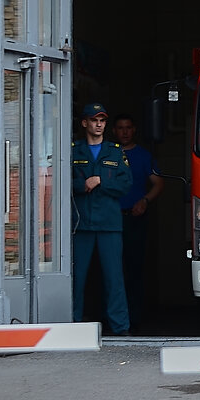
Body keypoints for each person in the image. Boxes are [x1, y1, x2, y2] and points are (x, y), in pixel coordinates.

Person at [71, 102, 133, 335]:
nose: (99, 124)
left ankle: (120, 328)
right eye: (94, 120)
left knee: (114, 279)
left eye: (103, 120)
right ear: (85, 123)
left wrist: (101, 181)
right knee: (77, 279)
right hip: (81, 224)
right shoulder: (73, 150)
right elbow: (59, 182)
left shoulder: (115, 152)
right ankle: (72, 323)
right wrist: (81, 184)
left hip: (109, 225)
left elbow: (126, 184)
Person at [113, 113, 164, 327]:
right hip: (110, 220)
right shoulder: (108, 153)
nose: (124, 132)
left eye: (128, 127)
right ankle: (112, 316)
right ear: (114, 131)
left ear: (134, 130)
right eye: (120, 128)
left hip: (134, 219)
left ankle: (135, 319)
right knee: (112, 270)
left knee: (134, 268)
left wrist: (145, 201)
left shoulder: (144, 156)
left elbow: (159, 183)